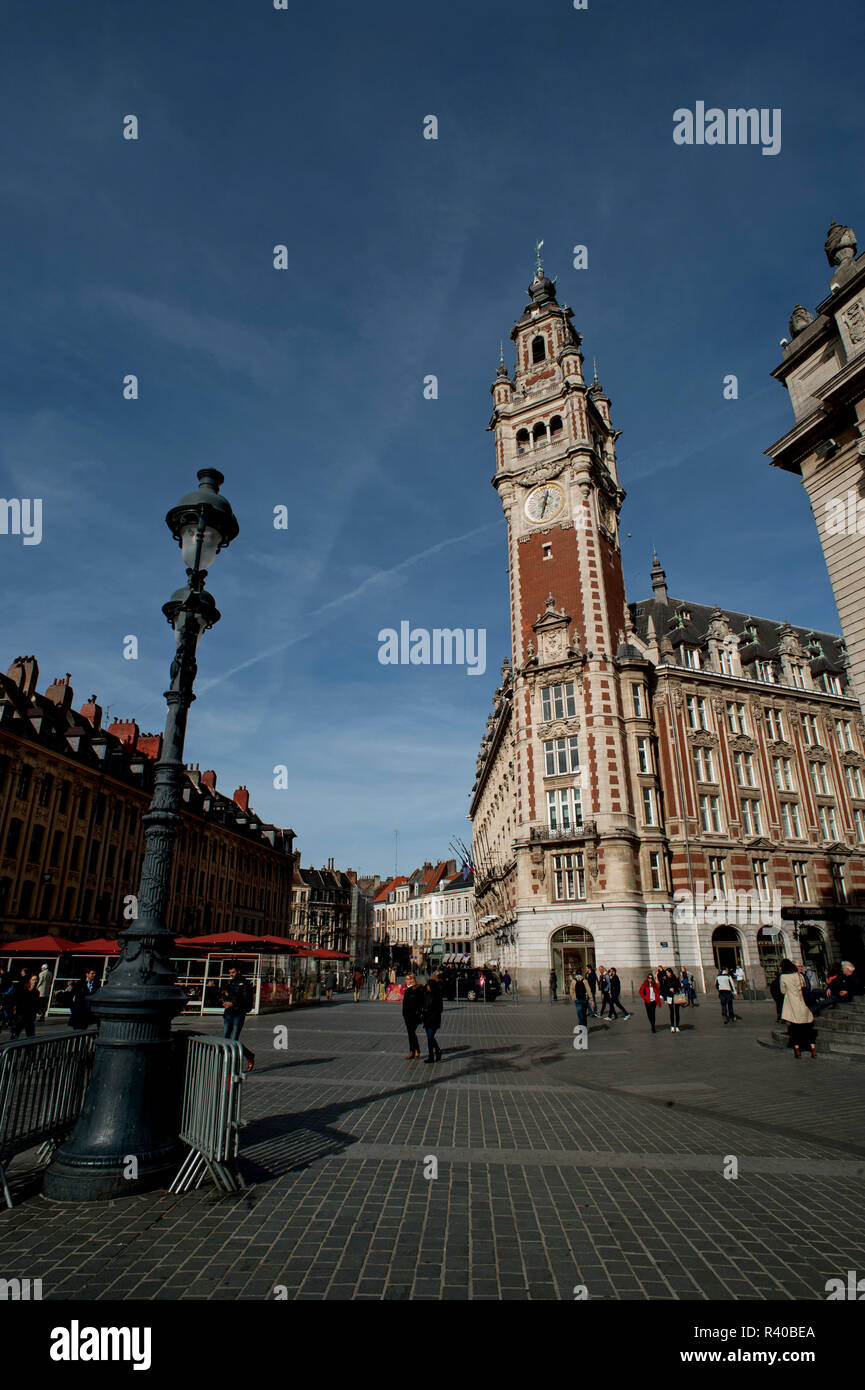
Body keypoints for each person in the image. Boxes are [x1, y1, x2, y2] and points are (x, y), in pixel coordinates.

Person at [780, 957, 816, 1058]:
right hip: (803, 1003)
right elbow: (804, 987)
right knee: (808, 1028)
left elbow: (783, 991)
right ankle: (813, 1048)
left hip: (792, 1005)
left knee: (794, 1029)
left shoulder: (783, 977)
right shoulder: (799, 976)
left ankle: (797, 1049)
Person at [222, 964, 254, 1041]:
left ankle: (233, 1052)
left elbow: (246, 999)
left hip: (238, 1013)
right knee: (225, 1035)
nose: (231, 974)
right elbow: (227, 995)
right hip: (229, 1012)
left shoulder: (245, 983)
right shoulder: (230, 983)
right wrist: (225, 1002)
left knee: (234, 1037)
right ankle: (225, 1052)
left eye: (233, 972)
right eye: (230, 973)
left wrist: (233, 1003)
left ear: (238, 972)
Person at [10, 972, 41, 1039]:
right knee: (15, 1034)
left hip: (29, 1017)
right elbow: (17, 1001)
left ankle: (30, 1049)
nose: (35, 981)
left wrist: (36, 1011)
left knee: (31, 1036)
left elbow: (35, 1004)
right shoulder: (23, 990)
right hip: (20, 1016)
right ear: (29, 980)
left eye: (36, 980)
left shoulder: (36, 992)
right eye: (33, 980)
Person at [402, 973, 425, 1059]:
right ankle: (412, 1051)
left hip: (414, 1015)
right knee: (410, 1033)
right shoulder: (407, 989)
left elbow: (420, 1002)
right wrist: (404, 1013)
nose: (406, 981)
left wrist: (419, 1013)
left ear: (412, 980)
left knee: (411, 1032)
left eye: (408, 979)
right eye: (406, 979)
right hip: (407, 1015)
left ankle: (416, 1050)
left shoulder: (417, 989)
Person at [422, 976, 443, 1063]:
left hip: (434, 1020)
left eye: (428, 985)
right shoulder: (426, 994)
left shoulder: (437, 996)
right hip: (426, 1019)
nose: (427, 987)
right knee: (430, 1037)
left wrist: (433, 1016)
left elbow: (440, 1009)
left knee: (430, 1037)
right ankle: (437, 1051)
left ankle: (431, 1056)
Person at [661, 967, 682, 1032]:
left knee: (677, 1012)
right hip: (669, 997)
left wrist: (674, 989)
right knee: (671, 1012)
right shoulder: (665, 979)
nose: (667, 974)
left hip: (676, 996)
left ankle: (677, 1026)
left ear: (670, 972)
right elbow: (663, 989)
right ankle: (672, 1026)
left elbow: (679, 986)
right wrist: (665, 998)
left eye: (668, 973)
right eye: (666, 973)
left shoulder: (675, 978)